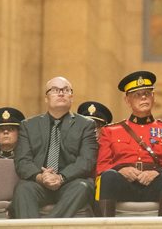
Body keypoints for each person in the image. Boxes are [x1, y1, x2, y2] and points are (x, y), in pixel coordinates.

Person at [95, 71, 162, 217]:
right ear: (127, 100)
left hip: (156, 183)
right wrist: (120, 170)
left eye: (147, 93)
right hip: (124, 184)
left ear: (153, 97)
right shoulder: (110, 131)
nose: (143, 97)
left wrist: (157, 172)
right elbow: (101, 166)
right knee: (107, 177)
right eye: (137, 94)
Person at [10, 76, 97, 218]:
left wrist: (61, 178)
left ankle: (48, 226)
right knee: (23, 188)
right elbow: (22, 161)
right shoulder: (28, 125)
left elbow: (86, 161)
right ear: (46, 98)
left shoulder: (86, 125)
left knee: (83, 187)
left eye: (66, 90)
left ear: (71, 97)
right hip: (39, 183)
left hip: (70, 182)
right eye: (55, 90)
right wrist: (40, 177)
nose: (61, 93)